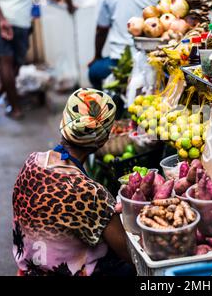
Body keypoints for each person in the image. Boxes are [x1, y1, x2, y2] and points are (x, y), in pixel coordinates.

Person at [12, 88, 135, 276]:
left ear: (64, 122)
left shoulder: (32, 161)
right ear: (103, 140)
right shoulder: (92, 193)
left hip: (30, 270)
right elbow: (128, 253)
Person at [0, 0, 75, 121]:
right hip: (20, 18)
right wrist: (70, 5)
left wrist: (1, 18)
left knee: (6, 63)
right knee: (14, 65)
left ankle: (9, 106)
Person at [88, 0, 160, 90]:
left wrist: (97, 56)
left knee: (94, 71)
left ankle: (103, 105)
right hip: (157, 60)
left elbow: (101, 29)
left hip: (119, 62)